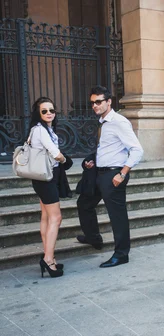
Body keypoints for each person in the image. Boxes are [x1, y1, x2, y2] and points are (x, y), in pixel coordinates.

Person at [76, 86, 144, 268]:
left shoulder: (119, 122)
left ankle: (121, 254)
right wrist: (91, 160)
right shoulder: (102, 122)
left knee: (117, 216)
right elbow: (105, 149)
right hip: (99, 172)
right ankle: (93, 238)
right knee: (84, 203)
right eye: (92, 102)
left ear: (108, 102)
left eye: (98, 101)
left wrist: (122, 174)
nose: (95, 105)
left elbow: (137, 150)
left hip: (114, 175)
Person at [29, 97, 68, 278]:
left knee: (45, 216)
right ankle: (48, 259)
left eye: (51, 110)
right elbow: (55, 152)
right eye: (44, 111)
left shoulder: (45, 129)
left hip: (43, 178)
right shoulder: (40, 130)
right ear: (38, 113)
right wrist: (64, 159)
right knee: (56, 218)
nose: (49, 114)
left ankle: (48, 256)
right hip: (46, 179)